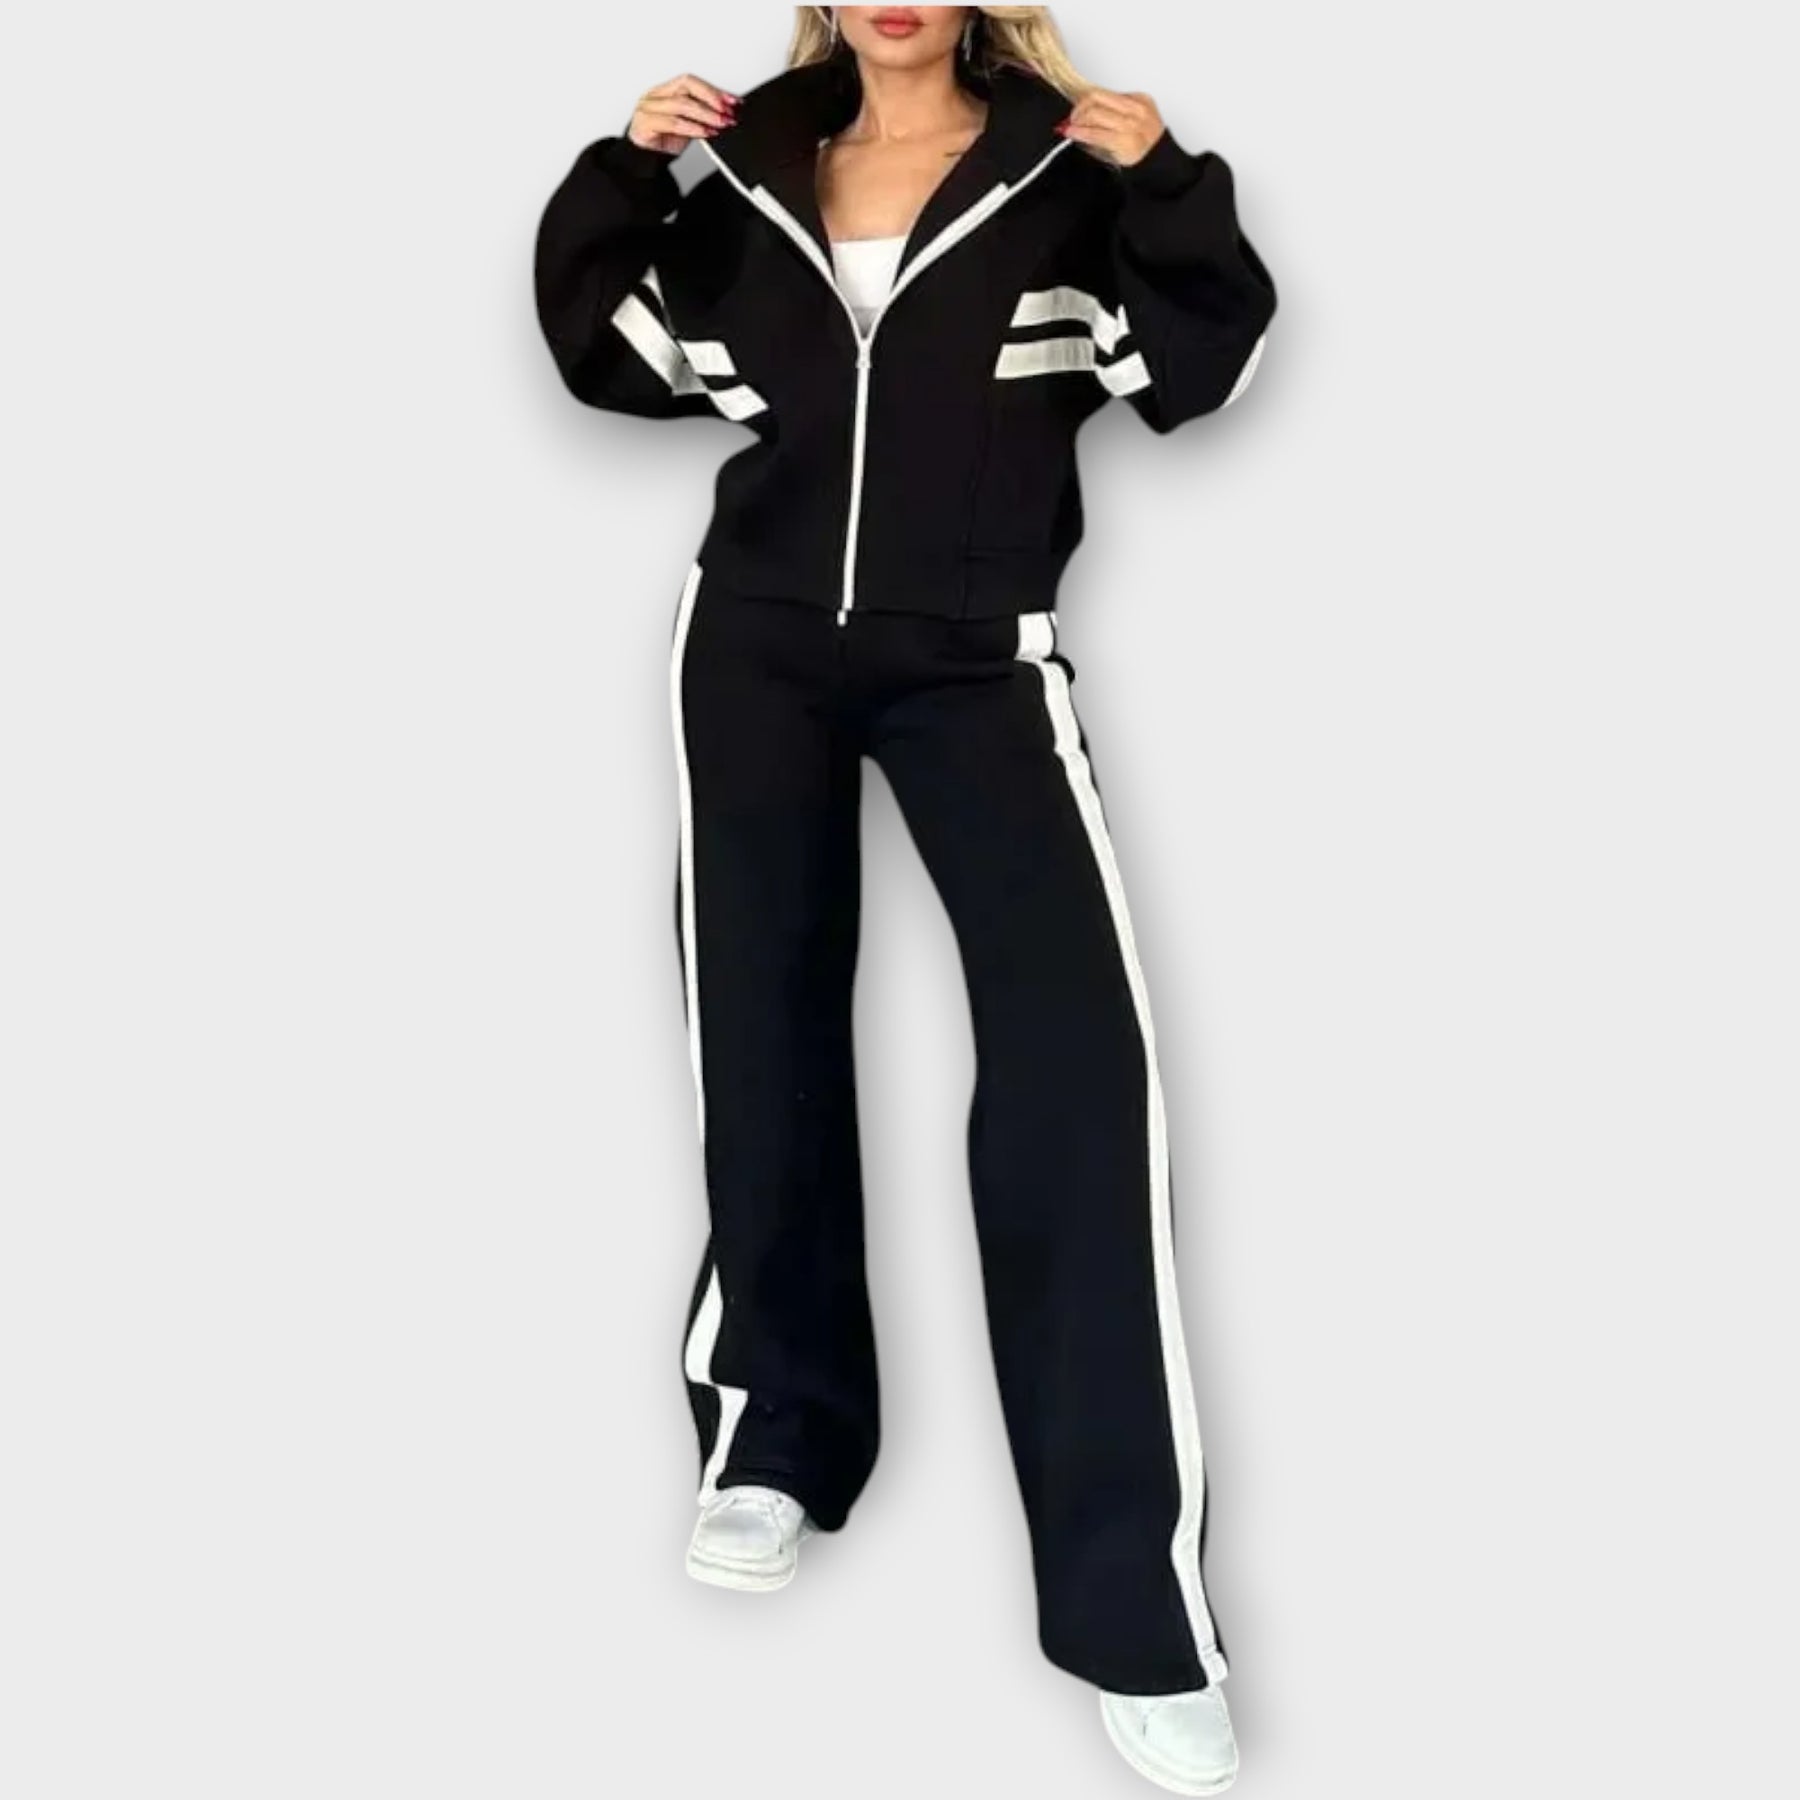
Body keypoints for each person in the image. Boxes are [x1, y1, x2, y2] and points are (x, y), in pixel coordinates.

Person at [533, 7, 1276, 1792]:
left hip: (978, 660)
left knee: (1078, 1084)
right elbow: (613, 358)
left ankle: (1135, 1617)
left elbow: (1193, 373)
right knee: (761, 1037)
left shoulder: (1059, 166)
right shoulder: (754, 165)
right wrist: (626, 171)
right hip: (756, 649)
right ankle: (777, 1437)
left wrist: (1168, 184)